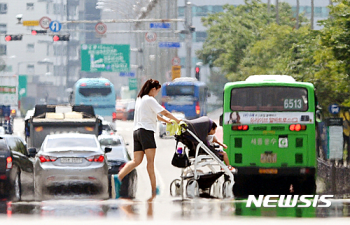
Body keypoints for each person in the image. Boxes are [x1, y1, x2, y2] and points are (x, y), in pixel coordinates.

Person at [115, 79, 182, 198]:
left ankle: (118, 178)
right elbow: (164, 112)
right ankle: (153, 189)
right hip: (146, 131)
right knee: (150, 162)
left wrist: (166, 121)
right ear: (153, 89)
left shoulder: (140, 99)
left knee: (136, 161)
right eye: (157, 91)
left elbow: (154, 114)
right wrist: (177, 120)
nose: (157, 93)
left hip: (137, 132)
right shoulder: (150, 99)